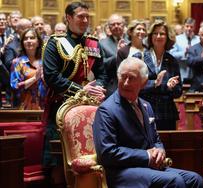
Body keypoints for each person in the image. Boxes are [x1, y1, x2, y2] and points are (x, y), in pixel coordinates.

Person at [93, 56, 203, 188]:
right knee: (174, 181)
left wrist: (160, 150)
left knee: (195, 180)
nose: (126, 82)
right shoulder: (107, 109)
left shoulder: (146, 106)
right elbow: (107, 153)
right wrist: (146, 155)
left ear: (144, 82)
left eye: (132, 78)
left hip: (146, 168)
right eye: (123, 77)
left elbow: (155, 139)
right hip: (120, 172)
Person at [42, 1, 107, 185]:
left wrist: (98, 88)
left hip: (92, 110)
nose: (85, 20)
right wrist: (81, 90)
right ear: (69, 18)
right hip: (61, 109)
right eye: (80, 17)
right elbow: (52, 76)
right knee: (58, 160)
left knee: (92, 157)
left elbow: (102, 74)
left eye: (87, 17)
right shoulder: (55, 43)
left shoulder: (93, 43)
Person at [140, 19, 182, 130]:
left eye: (162, 33)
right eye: (155, 33)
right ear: (150, 36)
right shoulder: (139, 57)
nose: (158, 36)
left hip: (166, 113)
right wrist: (154, 83)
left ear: (168, 37)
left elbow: (178, 92)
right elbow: (136, 85)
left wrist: (170, 87)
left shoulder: (172, 60)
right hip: (145, 111)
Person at [10, 28, 46, 109]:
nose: (29, 40)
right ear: (22, 43)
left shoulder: (45, 62)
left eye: (32, 38)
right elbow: (14, 86)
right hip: (23, 108)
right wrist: (34, 78)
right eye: (26, 38)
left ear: (38, 42)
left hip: (44, 108)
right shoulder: (17, 63)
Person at [99, 13, 128, 97]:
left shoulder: (131, 40)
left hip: (132, 83)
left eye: (119, 24)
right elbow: (101, 64)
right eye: (113, 24)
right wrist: (117, 55)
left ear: (124, 25)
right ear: (109, 27)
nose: (116, 26)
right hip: (112, 85)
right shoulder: (102, 43)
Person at [170, 17, 200, 84]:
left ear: (194, 27)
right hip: (181, 72)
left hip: (196, 73)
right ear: (184, 26)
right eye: (187, 26)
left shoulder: (198, 39)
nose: (189, 29)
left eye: (191, 27)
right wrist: (184, 53)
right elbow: (171, 54)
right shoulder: (177, 39)